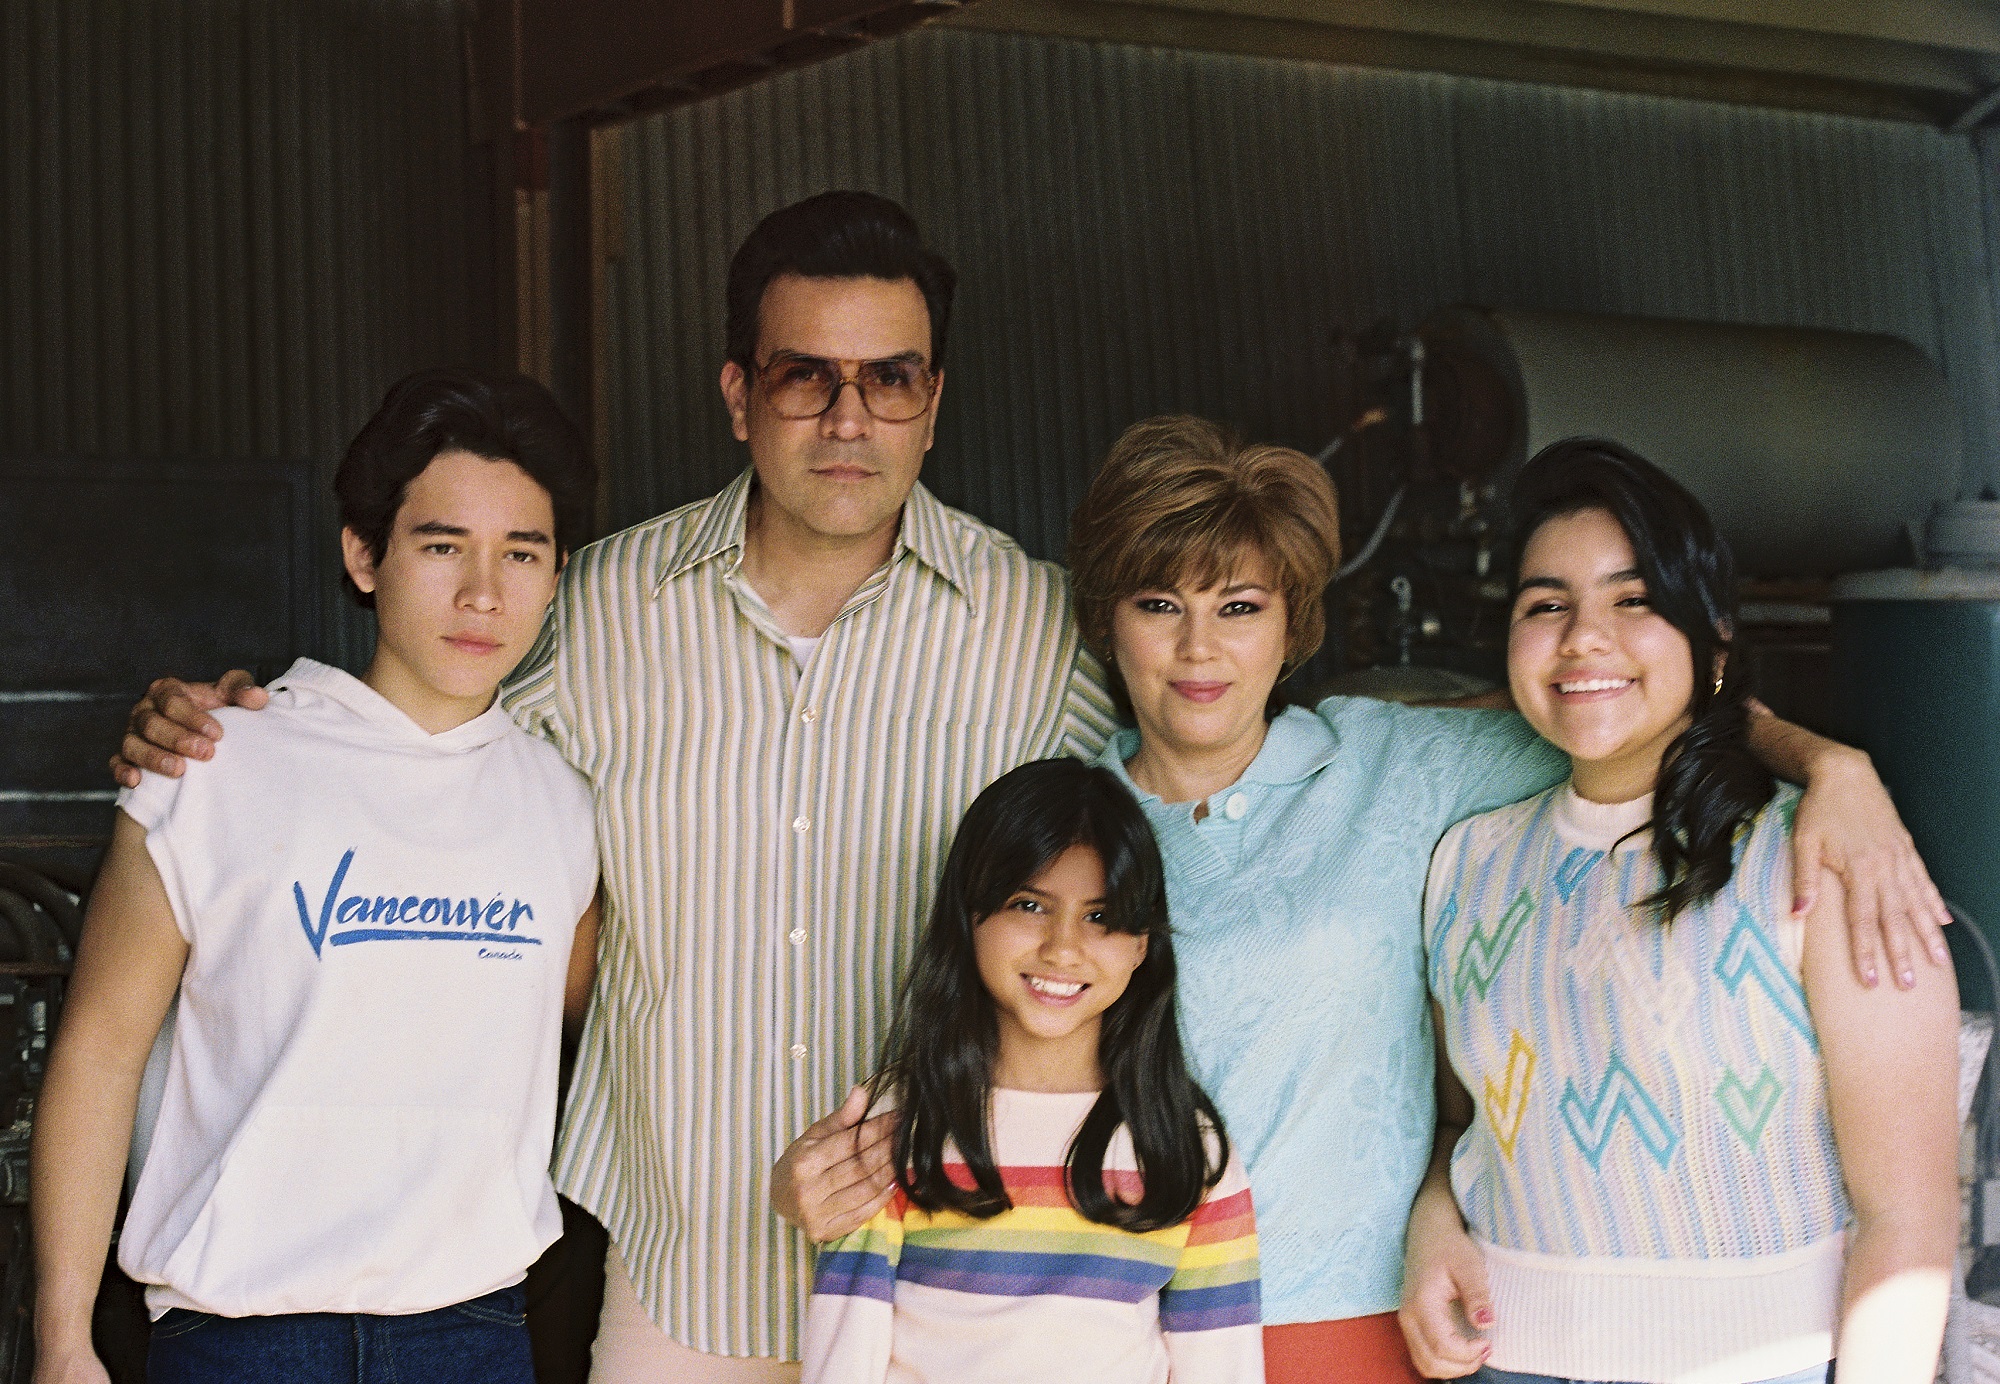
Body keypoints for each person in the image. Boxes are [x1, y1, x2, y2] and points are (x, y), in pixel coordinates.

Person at [109, 191, 1117, 1381]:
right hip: (674, 1273)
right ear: (738, 393)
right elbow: (405, 725)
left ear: (933, 401)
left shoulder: (1038, 630)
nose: (849, 418)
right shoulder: (592, 609)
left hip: (951, 1274)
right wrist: (231, 722)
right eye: (805, 376)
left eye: (890, 378)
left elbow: (1169, 831)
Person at [1043, 415, 1946, 1384]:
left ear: (1292, 619)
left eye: (1238, 606)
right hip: (1120, 1320)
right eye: (1155, 603)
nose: (1196, 648)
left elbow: (1636, 711)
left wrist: (1832, 765)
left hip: (1358, 1319)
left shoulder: (1400, 766)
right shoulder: (1058, 829)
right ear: (1108, 618)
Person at [33, 369, 603, 1384]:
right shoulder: (213, 763)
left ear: (557, 573)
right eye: (441, 546)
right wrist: (63, 1338)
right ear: (362, 553)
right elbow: (98, 1053)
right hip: (244, 1335)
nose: (483, 592)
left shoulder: (563, 802)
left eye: (522, 552)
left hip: (470, 1336)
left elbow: (592, 1028)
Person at [1401, 439, 1957, 1384]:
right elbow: (1462, 1127)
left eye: (1634, 601)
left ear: (1714, 644)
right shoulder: (1468, 862)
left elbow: (1907, 1219)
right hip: (1507, 1364)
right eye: (1548, 605)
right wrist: (1429, 1230)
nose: (1584, 638)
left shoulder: (1821, 859)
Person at [803, 758, 1261, 1384]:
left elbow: (1223, 1367)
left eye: (1099, 917)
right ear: (970, 917)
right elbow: (844, 1355)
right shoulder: (898, 1122)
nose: (1063, 948)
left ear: (1141, 945)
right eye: (1029, 905)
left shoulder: (1186, 1143)